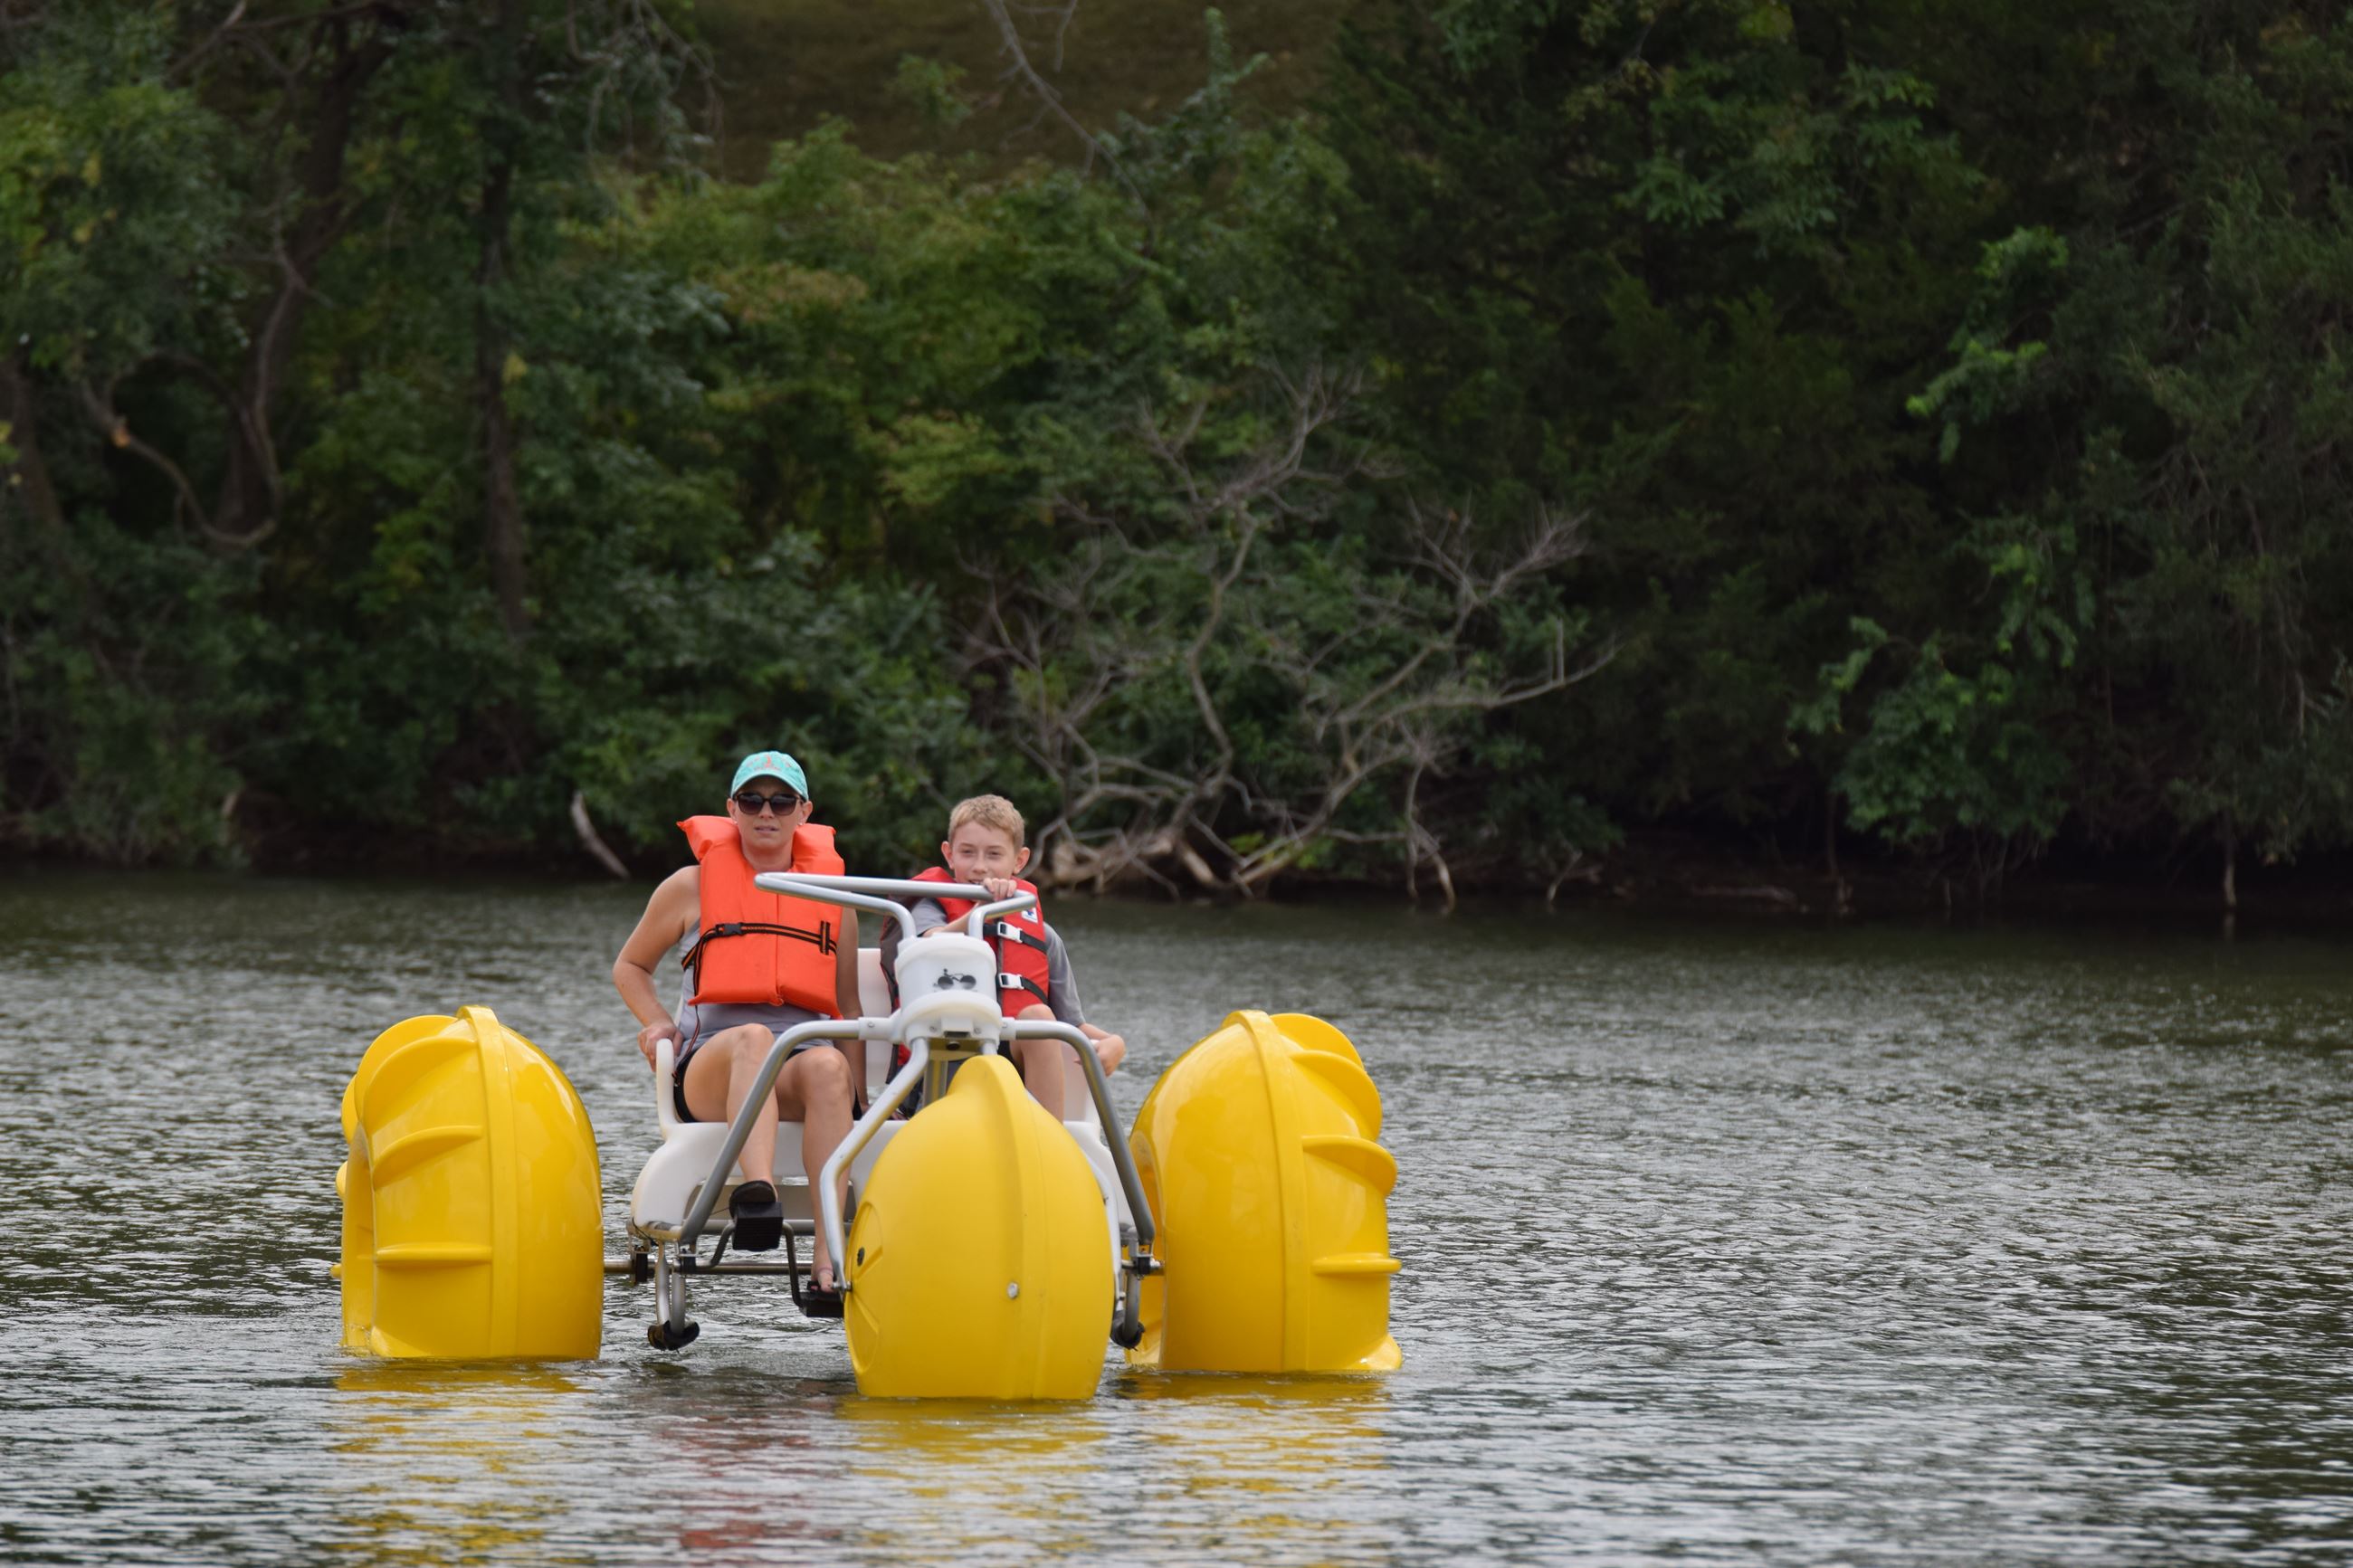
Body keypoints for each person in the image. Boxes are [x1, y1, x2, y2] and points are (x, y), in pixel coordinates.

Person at [611, 750, 861, 1298]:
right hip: (711, 1072)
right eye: (751, 799)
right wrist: (657, 1023)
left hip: (795, 1064)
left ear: (804, 812)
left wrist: (858, 1098)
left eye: (780, 801)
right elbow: (630, 966)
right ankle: (758, 1195)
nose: (765, 812)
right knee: (752, 1039)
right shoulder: (689, 886)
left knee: (825, 1064)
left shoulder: (835, 898)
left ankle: (828, 1262)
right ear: (731, 808)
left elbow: (847, 1009)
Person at [896, 794, 1125, 1121]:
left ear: (1019, 861)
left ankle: (1047, 1143)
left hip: (1013, 1075)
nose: (979, 867)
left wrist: (1114, 1041)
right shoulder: (930, 910)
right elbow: (926, 947)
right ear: (948, 854)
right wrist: (979, 916)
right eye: (967, 853)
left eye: (993, 855)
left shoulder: (1042, 937)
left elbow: (1071, 1024)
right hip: (936, 1065)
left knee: (1038, 1016)